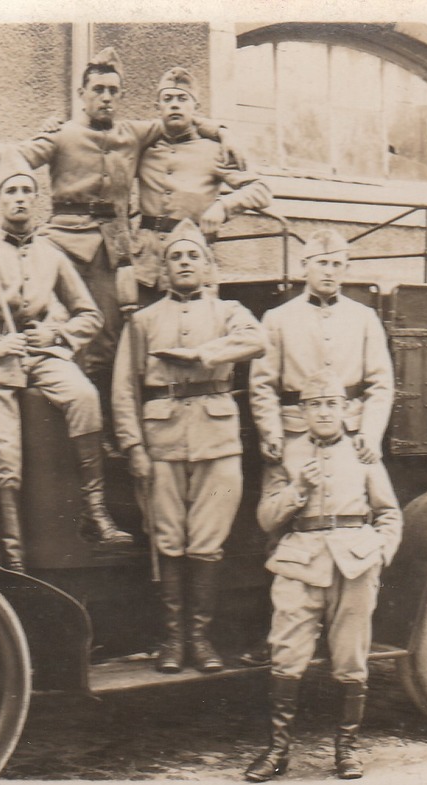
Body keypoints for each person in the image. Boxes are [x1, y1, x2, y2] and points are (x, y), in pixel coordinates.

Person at [0, 48, 240, 435]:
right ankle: (56, 425)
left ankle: (99, 429)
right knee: (55, 331)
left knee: (107, 340)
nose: (105, 97)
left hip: (111, 253)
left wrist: (222, 131)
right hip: (62, 245)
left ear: (120, 95)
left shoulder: (135, 133)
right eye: (98, 89)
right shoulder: (61, 134)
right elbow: (15, 158)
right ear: (82, 93)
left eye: (113, 90)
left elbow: (180, 119)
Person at [0, 150, 133, 572]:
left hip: (41, 353)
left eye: (28, 191)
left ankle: (95, 512)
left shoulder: (51, 254)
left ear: (37, 200)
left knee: (84, 396)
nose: (20, 199)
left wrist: (55, 333)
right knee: (5, 462)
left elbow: (90, 315)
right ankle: (14, 563)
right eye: (11, 191)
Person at [113, 220, 265, 673]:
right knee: (169, 542)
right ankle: (173, 641)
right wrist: (133, 446)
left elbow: (258, 341)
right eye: (175, 257)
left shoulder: (229, 311)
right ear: (163, 271)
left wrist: (205, 355)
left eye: (192, 256)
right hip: (161, 443)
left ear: (207, 265)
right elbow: (123, 389)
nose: (184, 263)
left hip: (218, 443)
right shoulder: (142, 321)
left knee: (207, 542)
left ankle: (201, 640)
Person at [244, 380, 402, 783]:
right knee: (286, 656)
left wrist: (380, 553)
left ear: (346, 409)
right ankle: (277, 751)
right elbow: (265, 519)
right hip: (300, 562)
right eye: (315, 405)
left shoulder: (364, 453)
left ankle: (346, 751)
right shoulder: (285, 455)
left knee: (351, 659)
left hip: (355, 563)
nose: (324, 412)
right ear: (303, 411)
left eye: (332, 404)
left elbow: (389, 514)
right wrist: (298, 488)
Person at [249, 228, 394, 464]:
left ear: (346, 269)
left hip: (350, 433)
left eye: (337, 264)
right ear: (304, 266)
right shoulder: (277, 318)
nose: (329, 271)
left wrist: (370, 433)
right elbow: (262, 385)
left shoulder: (364, 318)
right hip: (295, 432)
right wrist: (271, 432)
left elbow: (381, 384)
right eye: (322, 263)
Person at [133, 67, 272, 303]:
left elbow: (261, 190)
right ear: (158, 108)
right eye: (167, 99)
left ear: (195, 107)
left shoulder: (214, 150)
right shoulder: (143, 146)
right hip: (146, 267)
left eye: (182, 98)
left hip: (192, 264)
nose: (175, 104)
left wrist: (223, 207)